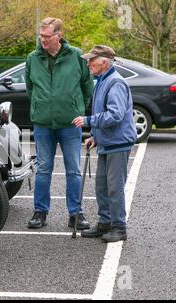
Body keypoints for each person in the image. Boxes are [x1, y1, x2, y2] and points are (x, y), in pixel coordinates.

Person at [25, 17, 94, 229]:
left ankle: (76, 214)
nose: (42, 39)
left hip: (70, 123)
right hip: (43, 123)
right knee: (44, 168)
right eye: (41, 35)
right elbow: (30, 87)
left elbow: (87, 86)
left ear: (58, 36)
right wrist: (41, 106)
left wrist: (78, 109)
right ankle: (40, 212)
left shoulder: (76, 56)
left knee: (73, 169)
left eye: (46, 36)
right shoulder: (32, 58)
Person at [72, 45, 137, 242]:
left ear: (104, 62)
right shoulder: (102, 81)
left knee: (114, 187)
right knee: (102, 186)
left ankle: (119, 227)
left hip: (118, 143)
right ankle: (105, 223)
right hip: (108, 142)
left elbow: (115, 115)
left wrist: (89, 121)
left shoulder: (115, 83)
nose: (88, 63)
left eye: (92, 60)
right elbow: (106, 112)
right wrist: (95, 136)